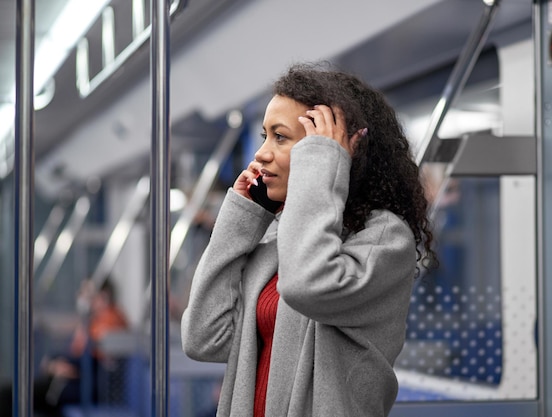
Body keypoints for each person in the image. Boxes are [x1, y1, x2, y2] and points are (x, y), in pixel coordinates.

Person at [181, 62, 437, 417]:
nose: (261, 154)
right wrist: (239, 220)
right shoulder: (279, 240)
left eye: (281, 137)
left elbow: (307, 285)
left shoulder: (384, 238)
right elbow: (203, 338)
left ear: (329, 152)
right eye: (264, 136)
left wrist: (321, 163)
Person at [0, 278, 128, 416]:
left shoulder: (111, 320)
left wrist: (69, 368)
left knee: (7, 396)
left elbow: (99, 365)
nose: (83, 298)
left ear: (103, 296)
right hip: (73, 382)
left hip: (83, 386)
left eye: (88, 294)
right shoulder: (96, 320)